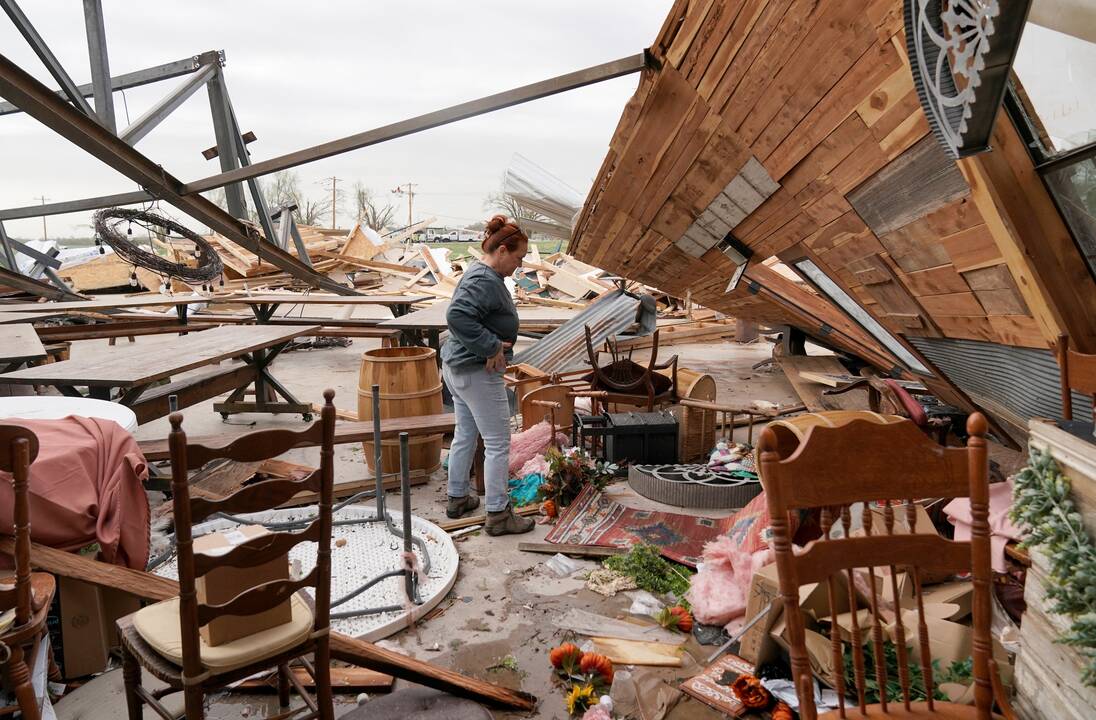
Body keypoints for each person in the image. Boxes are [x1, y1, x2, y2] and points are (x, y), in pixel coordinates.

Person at [441, 214, 535, 536]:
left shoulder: (483, 275)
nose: (519, 266)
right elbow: (457, 316)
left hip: (460, 369)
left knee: (465, 434)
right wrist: (491, 345)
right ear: (503, 250)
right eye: (519, 257)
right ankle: (497, 514)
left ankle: (457, 498)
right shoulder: (483, 279)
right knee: (497, 443)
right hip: (476, 372)